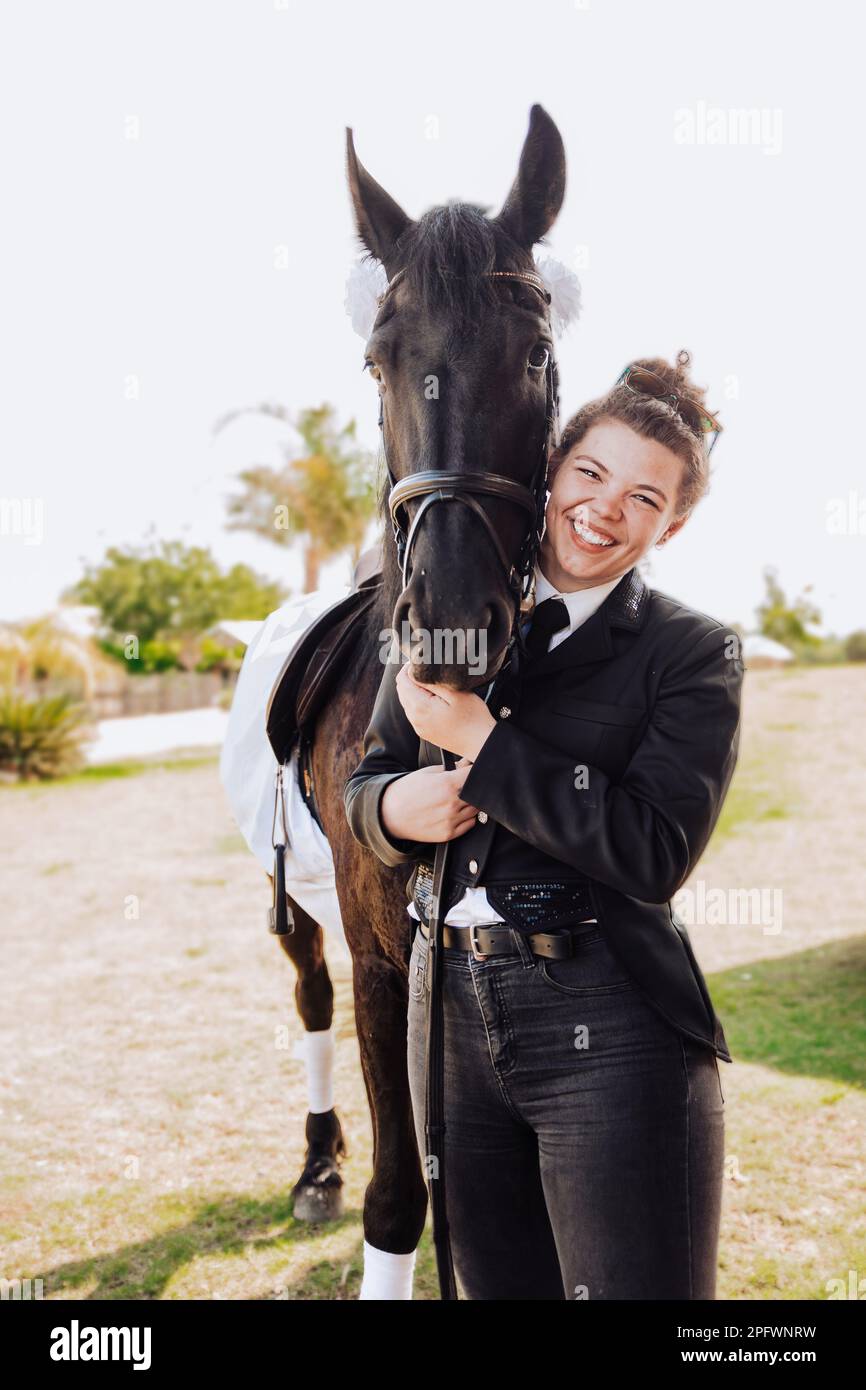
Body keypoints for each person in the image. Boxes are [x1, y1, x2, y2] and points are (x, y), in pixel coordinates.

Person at [343, 351, 743, 1300]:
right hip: (446, 1024)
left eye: (645, 498)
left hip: (610, 1020)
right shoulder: (444, 619)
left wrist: (484, 744)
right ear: (551, 472)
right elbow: (365, 783)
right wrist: (397, 809)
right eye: (592, 474)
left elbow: (653, 853)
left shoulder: (693, 653)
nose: (606, 508)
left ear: (672, 526)